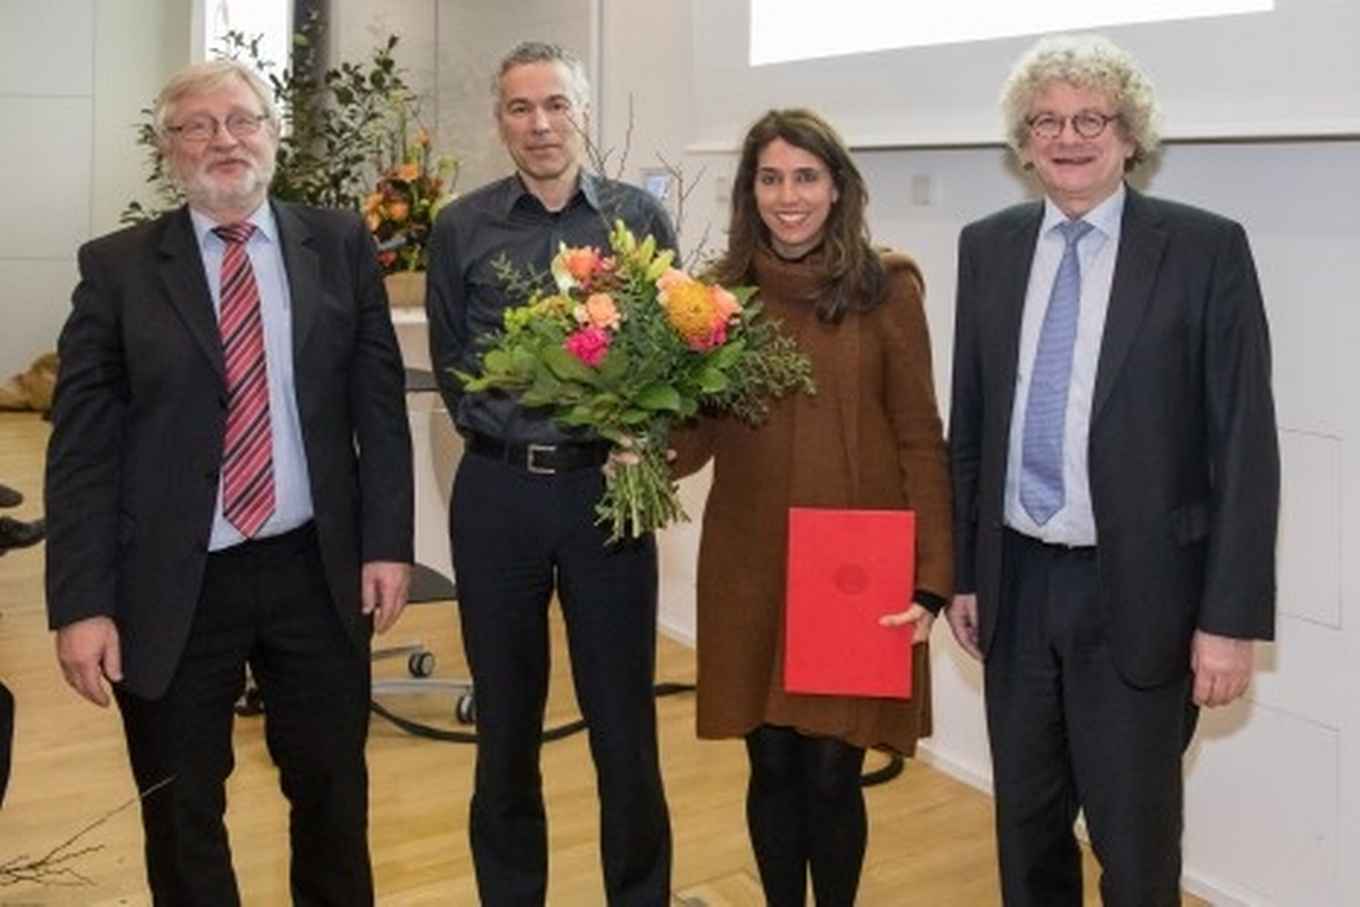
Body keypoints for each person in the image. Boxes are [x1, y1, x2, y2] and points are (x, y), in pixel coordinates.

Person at [45, 59, 414, 906]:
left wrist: (388, 541)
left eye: (242, 120)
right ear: (167, 149)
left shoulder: (340, 244)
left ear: (273, 135)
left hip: (313, 568)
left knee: (332, 797)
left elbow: (378, 404)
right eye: (198, 126)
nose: (224, 140)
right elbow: (81, 452)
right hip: (172, 581)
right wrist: (80, 602)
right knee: (181, 811)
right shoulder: (118, 269)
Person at [947, 33, 1279, 906]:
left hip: (1141, 596)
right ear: (1023, 143)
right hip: (1015, 586)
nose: (1068, 135)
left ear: (1131, 135)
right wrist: (964, 575)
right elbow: (972, 426)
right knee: (1026, 834)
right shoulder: (988, 247)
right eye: (1046, 120)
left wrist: (1229, 619)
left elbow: (1245, 442)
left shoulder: (1205, 250)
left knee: (1135, 854)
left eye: (1090, 117)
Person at [671, 109, 953, 906]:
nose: (787, 196)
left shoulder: (886, 289)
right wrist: (636, 430)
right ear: (748, 191)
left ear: (837, 188)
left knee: (833, 771)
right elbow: (692, 440)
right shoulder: (719, 301)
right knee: (769, 763)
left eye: (805, 177)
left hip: (854, 570)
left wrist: (931, 578)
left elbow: (921, 439)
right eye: (770, 178)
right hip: (749, 561)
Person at [425, 41, 675, 905]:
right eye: (521, 109)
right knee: (505, 723)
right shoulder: (460, 226)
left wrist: (639, 432)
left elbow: (671, 349)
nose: (540, 125)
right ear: (500, 121)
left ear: (584, 112)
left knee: (623, 725)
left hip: (608, 494)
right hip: (496, 495)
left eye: (556, 105)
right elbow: (455, 363)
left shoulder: (638, 219)